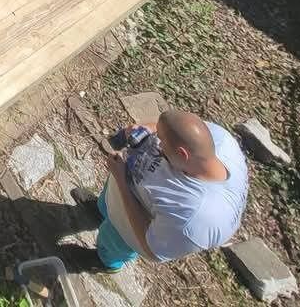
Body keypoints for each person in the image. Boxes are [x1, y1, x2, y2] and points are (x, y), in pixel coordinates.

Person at [91, 109, 248, 270]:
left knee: (112, 243)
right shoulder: (219, 139)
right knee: (104, 207)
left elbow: (151, 248)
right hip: (122, 185)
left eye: (161, 141)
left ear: (182, 154)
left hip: (127, 225)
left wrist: (122, 181)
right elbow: (179, 131)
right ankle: (100, 212)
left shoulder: (195, 217)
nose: (157, 143)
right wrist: (148, 129)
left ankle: (104, 262)